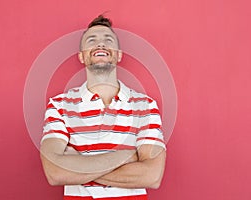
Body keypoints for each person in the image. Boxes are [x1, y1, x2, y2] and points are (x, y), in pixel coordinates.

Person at [40, 15, 166, 200]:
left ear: (119, 55)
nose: (100, 44)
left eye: (108, 40)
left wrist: (77, 165)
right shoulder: (59, 105)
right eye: (92, 40)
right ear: (82, 57)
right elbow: (55, 173)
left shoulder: (145, 106)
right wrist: (127, 157)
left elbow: (152, 176)